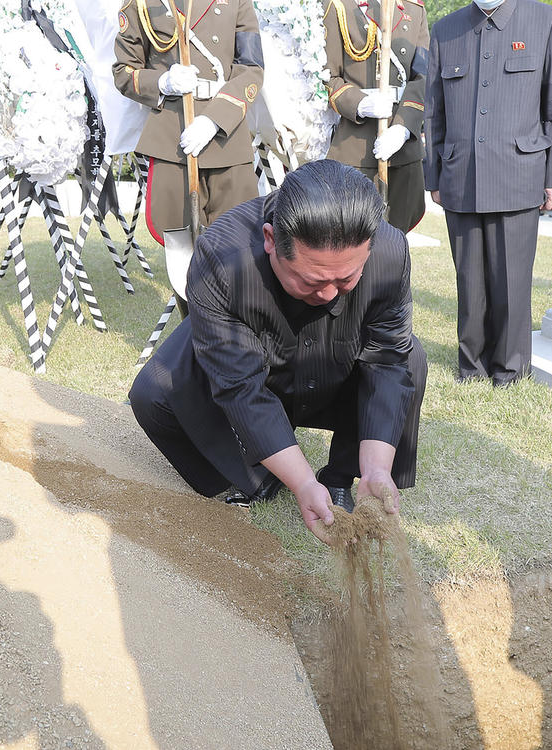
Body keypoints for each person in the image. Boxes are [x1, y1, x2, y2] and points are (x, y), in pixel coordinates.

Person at [128, 160, 428, 541]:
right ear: (271, 239)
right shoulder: (221, 257)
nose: (329, 295)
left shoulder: (390, 252)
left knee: (411, 359)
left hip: (336, 362)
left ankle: (340, 477)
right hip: (251, 354)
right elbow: (239, 386)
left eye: (346, 278)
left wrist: (376, 470)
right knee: (154, 393)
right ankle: (258, 476)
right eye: (312, 281)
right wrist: (301, 482)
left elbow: (388, 359)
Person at [424, 0, 552, 386]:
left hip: (518, 173)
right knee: (469, 282)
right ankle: (471, 366)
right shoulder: (446, 29)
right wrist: (434, 175)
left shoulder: (546, 20)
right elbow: (433, 110)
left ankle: (510, 368)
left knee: (511, 281)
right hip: (461, 175)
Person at [113, 0, 264, 246]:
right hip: (173, 138)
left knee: (238, 243)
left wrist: (215, 119)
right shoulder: (141, 2)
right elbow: (124, 72)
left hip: (227, 135)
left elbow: (252, 67)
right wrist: (163, 82)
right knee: (180, 244)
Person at [321, 0, 430, 233]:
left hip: (404, 148)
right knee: (353, 239)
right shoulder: (339, 6)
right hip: (355, 150)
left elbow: (423, 77)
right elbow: (327, 77)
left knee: (397, 242)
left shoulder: (414, 9)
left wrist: (403, 128)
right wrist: (360, 104)